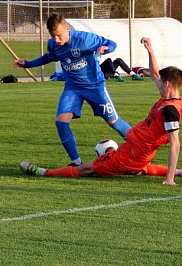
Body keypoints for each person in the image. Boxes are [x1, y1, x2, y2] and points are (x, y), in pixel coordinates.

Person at [20, 37, 182, 185]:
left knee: (87, 169)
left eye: (160, 81)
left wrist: (169, 179)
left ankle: (44, 172)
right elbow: (155, 74)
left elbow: (175, 143)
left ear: (167, 84)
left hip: (133, 153)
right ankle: (179, 172)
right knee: (139, 168)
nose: (156, 81)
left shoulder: (170, 110)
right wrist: (150, 50)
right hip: (135, 149)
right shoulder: (168, 99)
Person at [14, 13, 132, 166]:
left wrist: (107, 48)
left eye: (59, 35)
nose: (57, 40)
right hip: (72, 88)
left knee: (113, 121)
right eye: (53, 36)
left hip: (95, 86)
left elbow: (111, 43)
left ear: (67, 29)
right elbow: (49, 57)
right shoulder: (53, 44)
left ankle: (139, 146)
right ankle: (76, 162)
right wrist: (28, 64)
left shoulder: (85, 39)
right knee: (61, 122)